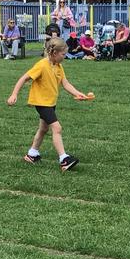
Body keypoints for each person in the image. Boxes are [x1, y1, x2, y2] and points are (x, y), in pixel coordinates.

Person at [6, 37, 87, 171]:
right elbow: (24, 78)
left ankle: (32, 154)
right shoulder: (42, 65)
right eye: (63, 54)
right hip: (42, 103)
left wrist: (78, 93)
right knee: (57, 128)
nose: (64, 57)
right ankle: (64, 159)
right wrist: (14, 94)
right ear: (54, 53)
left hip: (50, 102)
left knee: (43, 129)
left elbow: (65, 83)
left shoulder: (58, 66)